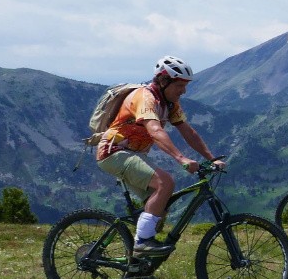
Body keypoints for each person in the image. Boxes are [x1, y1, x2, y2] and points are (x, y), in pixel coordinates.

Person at [95, 56, 225, 255]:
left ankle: (139, 264)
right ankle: (143, 243)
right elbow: (155, 131)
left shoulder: (170, 104)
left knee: (160, 207)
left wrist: (212, 158)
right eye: (180, 85)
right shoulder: (145, 97)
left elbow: (189, 132)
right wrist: (181, 159)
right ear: (163, 81)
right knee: (165, 183)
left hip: (132, 153)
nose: (184, 91)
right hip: (113, 151)